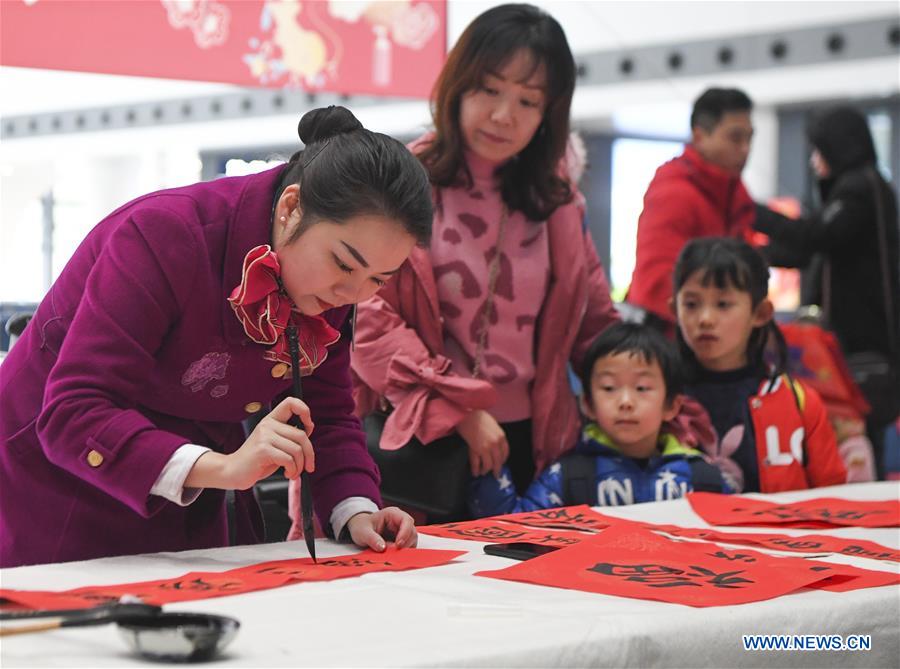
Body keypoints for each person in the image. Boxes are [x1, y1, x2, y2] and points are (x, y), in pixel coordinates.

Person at [0, 106, 429, 568]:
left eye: (378, 280)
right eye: (344, 264)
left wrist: (356, 509)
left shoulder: (327, 275)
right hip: (59, 478)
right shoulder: (163, 234)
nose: (351, 292)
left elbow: (324, 410)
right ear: (290, 207)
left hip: (195, 483)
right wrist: (226, 468)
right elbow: (73, 412)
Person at [346, 3, 619, 522]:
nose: (503, 115)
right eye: (489, 89)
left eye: (528, 100)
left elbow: (595, 324)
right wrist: (458, 409)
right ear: (457, 84)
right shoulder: (404, 182)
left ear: (549, 112)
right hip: (420, 437)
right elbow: (365, 315)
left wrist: (650, 387)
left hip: (532, 446)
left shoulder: (558, 202)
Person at [754, 105, 900, 478]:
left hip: (864, 343)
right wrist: (753, 255)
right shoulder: (861, 189)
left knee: (860, 440)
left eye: (821, 151)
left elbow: (816, 236)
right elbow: (809, 250)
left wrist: (752, 212)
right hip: (857, 342)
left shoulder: (860, 187)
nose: (815, 162)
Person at [468, 322, 731, 516]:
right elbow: (516, 530)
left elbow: (735, 537)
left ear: (672, 406)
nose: (625, 401)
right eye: (609, 388)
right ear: (588, 404)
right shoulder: (568, 476)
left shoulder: (701, 477)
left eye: (642, 388)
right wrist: (491, 467)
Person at [672, 237, 847, 493]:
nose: (705, 319)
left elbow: (833, 497)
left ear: (761, 313)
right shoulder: (659, 398)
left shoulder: (798, 402)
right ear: (673, 309)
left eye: (723, 304)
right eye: (691, 304)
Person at [627, 87, 757, 331]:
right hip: (677, 340)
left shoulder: (735, 195)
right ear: (699, 137)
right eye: (735, 138)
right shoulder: (674, 193)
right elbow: (657, 282)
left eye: (749, 138)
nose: (745, 149)